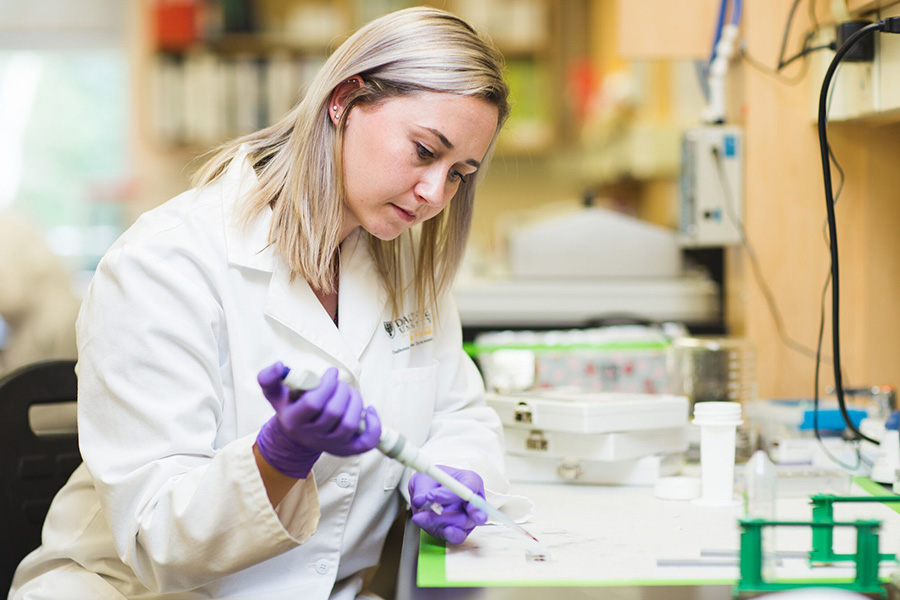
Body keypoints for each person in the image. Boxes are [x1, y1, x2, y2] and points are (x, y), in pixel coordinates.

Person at [9, 7, 510, 600]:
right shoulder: (165, 263)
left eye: (460, 173)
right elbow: (157, 541)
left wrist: (457, 470)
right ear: (345, 100)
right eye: (426, 151)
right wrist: (280, 456)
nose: (435, 194)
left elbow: (458, 411)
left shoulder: (403, 264)